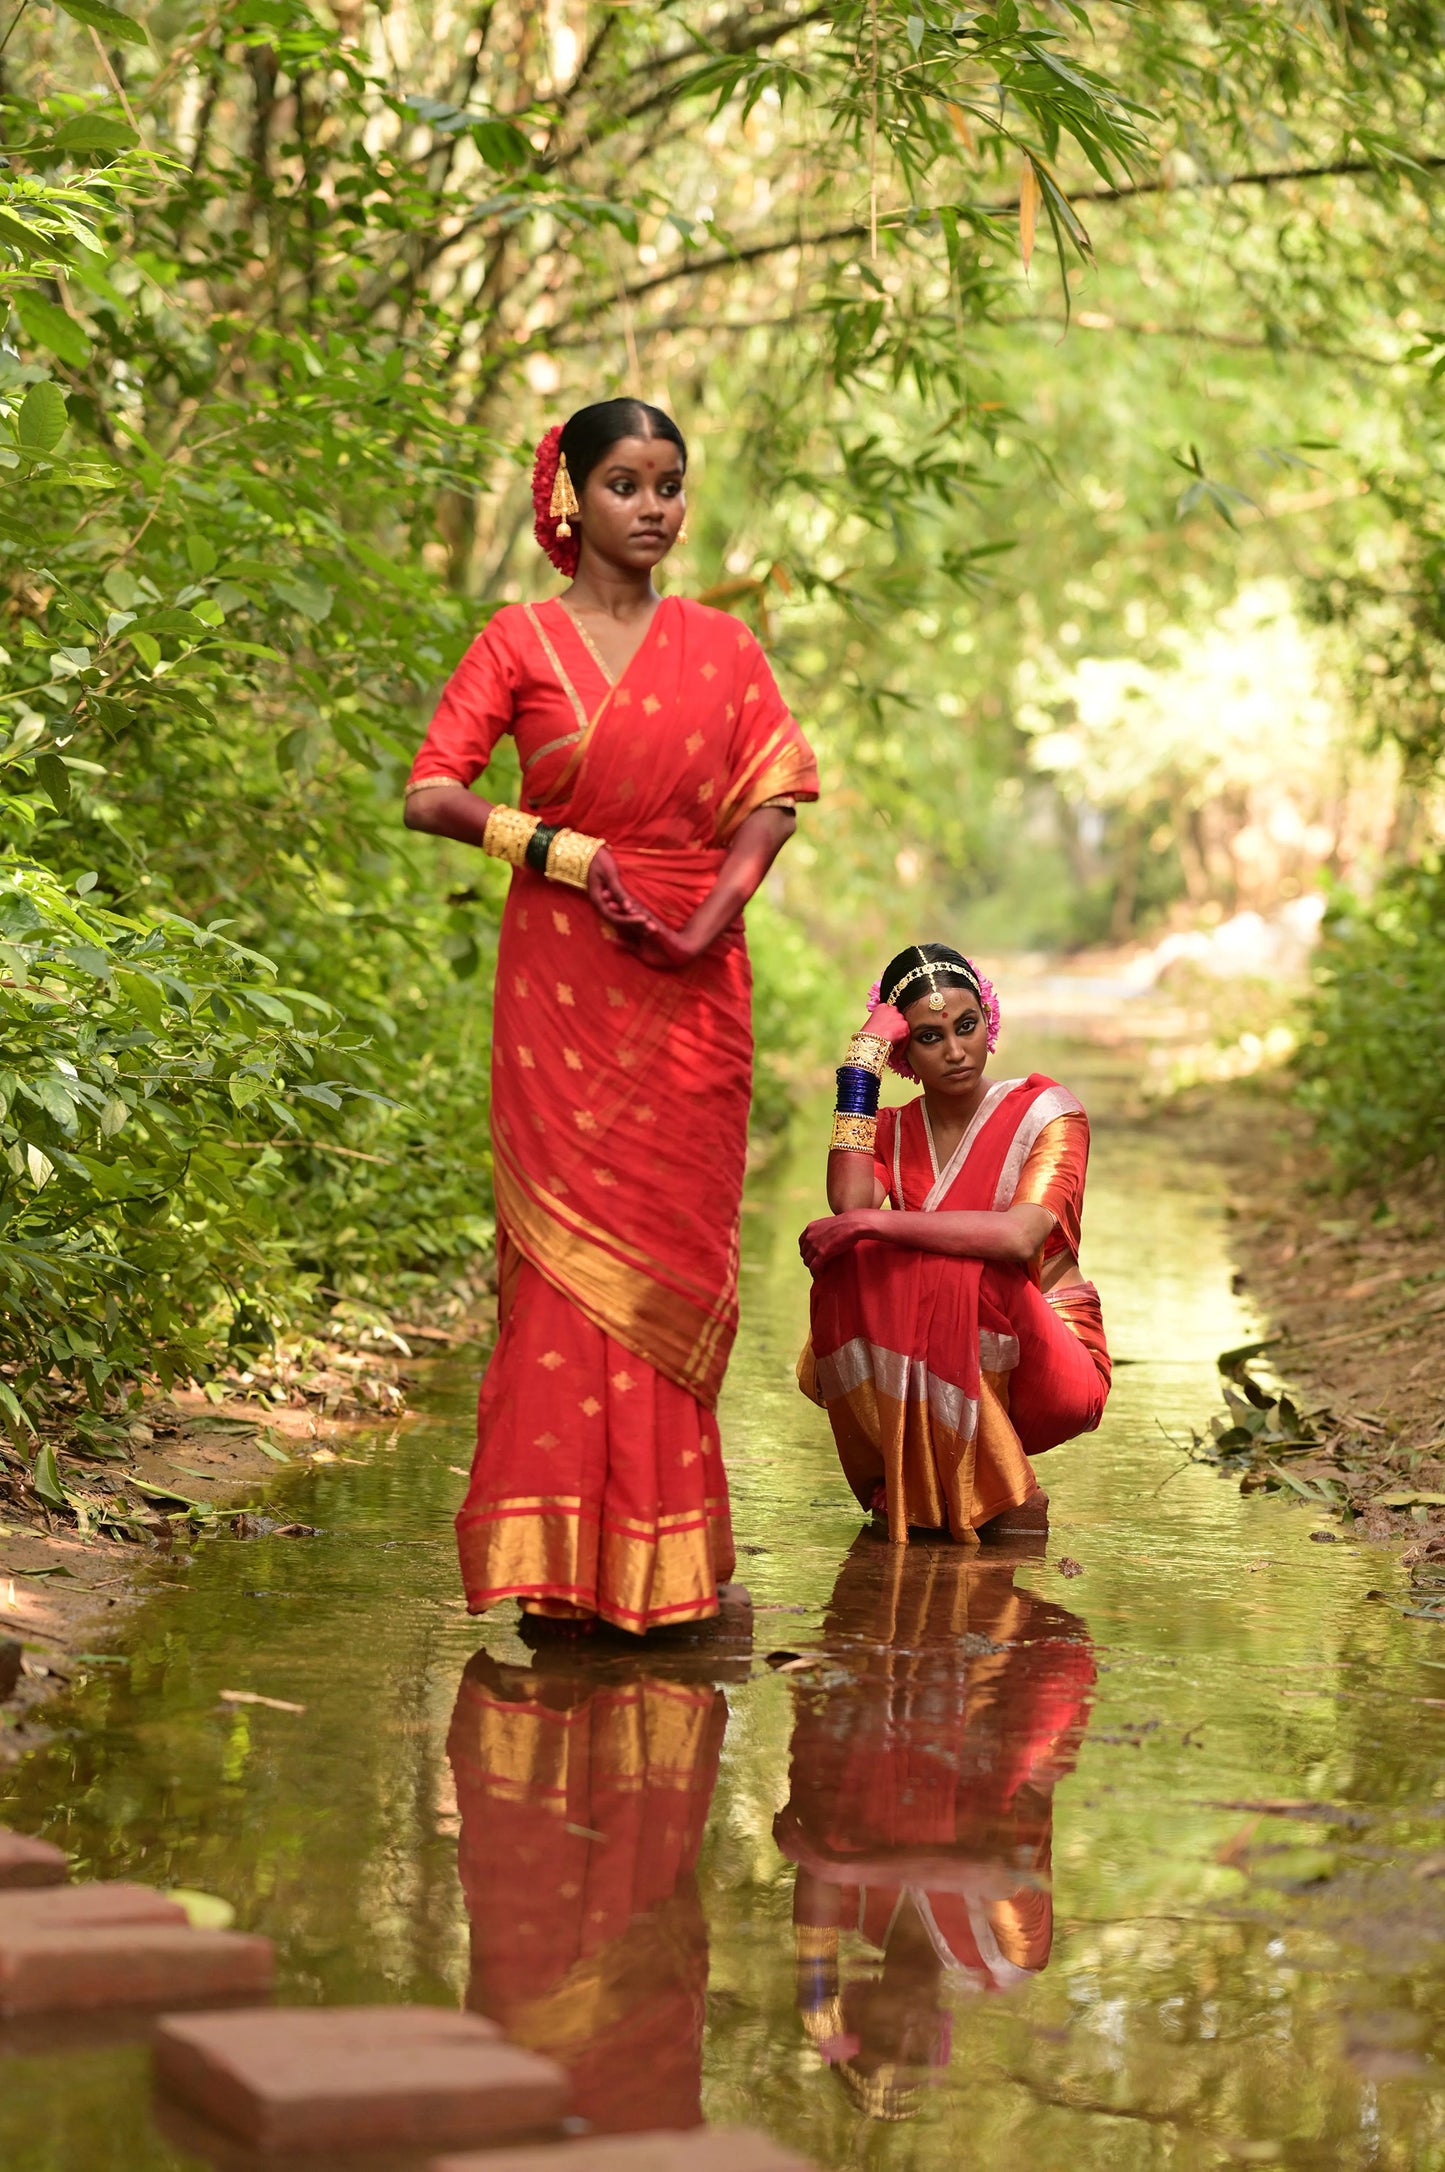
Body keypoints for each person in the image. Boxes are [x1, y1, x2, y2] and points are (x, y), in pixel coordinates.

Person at [405, 398, 818, 1633]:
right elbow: (432, 792)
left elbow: (776, 794)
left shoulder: (724, 647)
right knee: (558, 1266)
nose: (654, 507)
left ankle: (668, 1565)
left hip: (694, 968)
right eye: (628, 484)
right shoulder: (517, 640)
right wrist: (569, 857)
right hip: (562, 973)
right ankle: (558, 1568)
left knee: (671, 1256)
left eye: (671, 485)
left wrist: (708, 921)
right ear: (569, 496)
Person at [774, 1531, 1094, 2121]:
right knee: (981, 1548)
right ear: (938, 2039)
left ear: (859, 2009)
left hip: (898, 1704)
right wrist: (844, 1865)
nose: (903, 2028)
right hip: (1011, 1703)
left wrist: (817, 2001)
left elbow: (811, 1852)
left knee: (828, 1824)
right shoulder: (1005, 1965)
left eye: (880, 2038)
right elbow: (992, 1872)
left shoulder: (858, 1916)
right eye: (916, 2048)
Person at [797, 942, 1109, 1542]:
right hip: (948, 1343)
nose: (957, 1050)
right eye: (930, 1037)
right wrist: (860, 1068)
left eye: (966, 1027)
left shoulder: (1049, 1113)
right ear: (903, 1053)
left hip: (1049, 1356)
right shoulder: (892, 1129)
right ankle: (918, 1476)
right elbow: (848, 1204)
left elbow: (1021, 1238)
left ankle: (1010, 1492)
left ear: (989, 1022)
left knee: (967, 1264)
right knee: (852, 1260)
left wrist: (878, 1224)